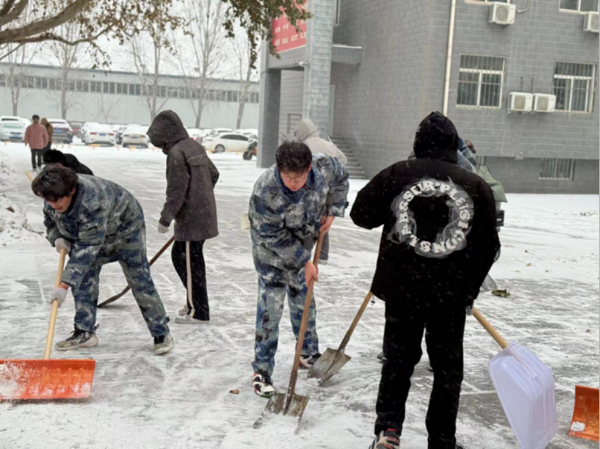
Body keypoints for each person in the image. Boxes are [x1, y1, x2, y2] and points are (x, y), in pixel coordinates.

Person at [351, 112, 501, 449]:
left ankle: (388, 431)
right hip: (448, 297)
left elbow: (361, 215)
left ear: (417, 143)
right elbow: (488, 247)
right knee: (447, 372)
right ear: (453, 144)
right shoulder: (475, 185)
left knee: (398, 363)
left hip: (403, 291)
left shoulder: (397, 174)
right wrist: (468, 290)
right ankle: (442, 440)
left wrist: (395, 206)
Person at [32, 166, 174, 355]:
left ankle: (161, 332)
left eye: (56, 201)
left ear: (71, 191)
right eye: (47, 201)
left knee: (139, 280)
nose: (51, 205)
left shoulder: (93, 201)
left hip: (126, 231)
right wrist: (56, 236)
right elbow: (50, 220)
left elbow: (88, 246)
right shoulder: (53, 194)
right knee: (83, 280)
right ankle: (84, 331)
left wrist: (64, 284)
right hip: (92, 234)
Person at [248, 141, 350, 397]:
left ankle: (307, 352)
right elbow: (270, 236)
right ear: (279, 170)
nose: (294, 182)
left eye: (299, 176)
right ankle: (262, 370)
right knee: (270, 309)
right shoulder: (265, 190)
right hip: (271, 253)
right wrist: (304, 260)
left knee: (304, 299)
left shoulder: (323, 167)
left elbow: (342, 179)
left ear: (309, 168)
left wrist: (333, 210)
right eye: (288, 177)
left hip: (305, 239)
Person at [147, 111, 220, 325]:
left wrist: (165, 218)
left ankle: (199, 312)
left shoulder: (176, 154)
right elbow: (214, 174)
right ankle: (193, 303)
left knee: (190, 262)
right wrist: (202, 193)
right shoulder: (194, 146)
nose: (160, 148)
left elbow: (176, 191)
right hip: (203, 214)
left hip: (191, 219)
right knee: (182, 257)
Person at [294, 119, 348, 265]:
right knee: (324, 221)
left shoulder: (304, 146)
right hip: (330, 190)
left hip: (311, 189)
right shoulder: (328, 144)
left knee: (306, 219)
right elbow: (343, 159)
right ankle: (322, 253)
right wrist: (331, 174)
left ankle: (302, 251)